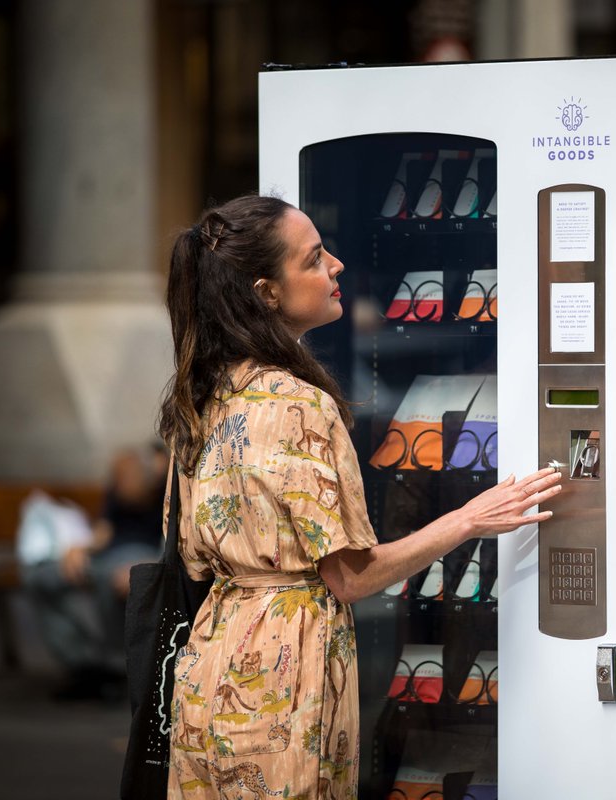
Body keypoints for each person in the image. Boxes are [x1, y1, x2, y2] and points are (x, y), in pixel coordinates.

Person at [156, 194, 561, 798]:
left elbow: (188, 554)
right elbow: (349, 577)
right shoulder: (300, 404)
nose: (338, 265)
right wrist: (470, 519)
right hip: (286, 681)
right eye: (315, 259)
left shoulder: (201, 396)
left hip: (209, 669)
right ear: (267, 293)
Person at [22, 442, 167, 701]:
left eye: (126, 477)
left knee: (114, 579)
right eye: (116, 477)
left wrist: (149, 566)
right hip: (108, 558)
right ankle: (82, 662)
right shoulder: (116, 494)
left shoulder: (165, 492)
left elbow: (172, 545)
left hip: (142, 556)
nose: (118, 483)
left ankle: (115, 667)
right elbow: (103, 532)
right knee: (41, 576)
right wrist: (78, 550)